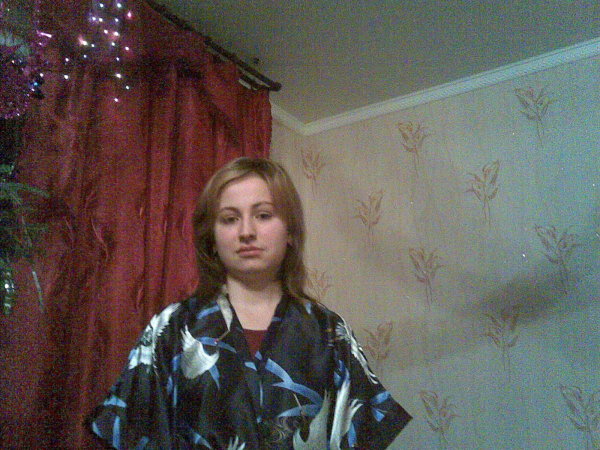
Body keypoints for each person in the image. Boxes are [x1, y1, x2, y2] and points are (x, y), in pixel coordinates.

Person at [90, 157, 411, 449]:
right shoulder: (172, 327)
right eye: (229, 219)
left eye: (263, 215)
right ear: (212, 239)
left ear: (290, 232)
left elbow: (362, 432)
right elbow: (132, 431)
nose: (246, 231)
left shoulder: (328, 331)